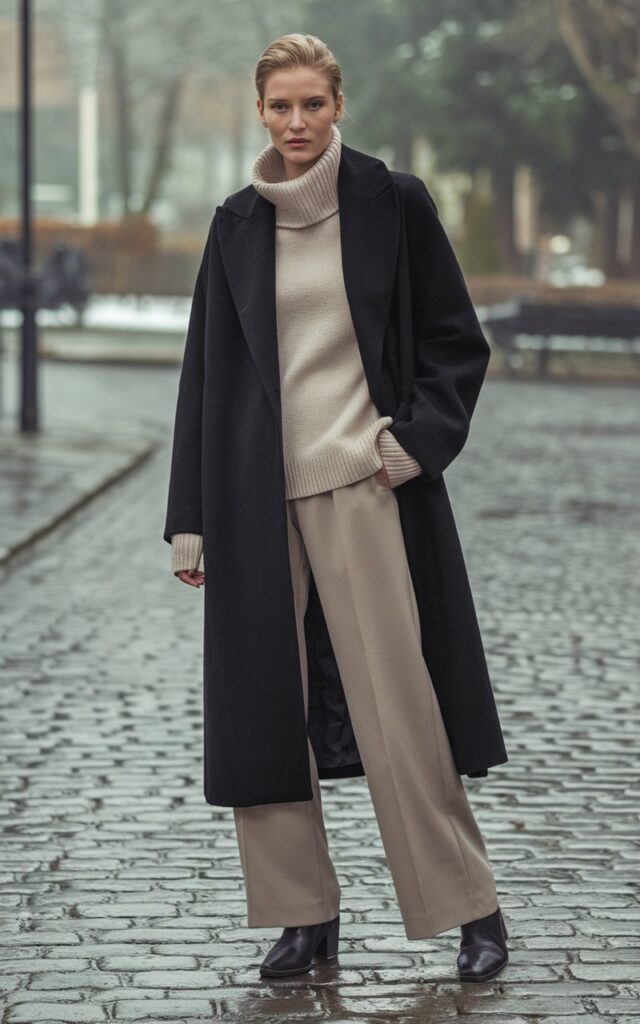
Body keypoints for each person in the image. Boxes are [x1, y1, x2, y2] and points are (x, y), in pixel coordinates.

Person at [165, 32, 509, 983]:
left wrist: (409, 445)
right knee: (263, 711)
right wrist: (190, 514)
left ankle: (468, 906)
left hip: (364, 487)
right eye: (280, 106)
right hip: (252, 502)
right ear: (260, 111)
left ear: (338, 105)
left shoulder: (392, 202)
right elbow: (204, 378)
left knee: (402, 706)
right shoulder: (236, 223)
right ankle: (302, 915)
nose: (297, 121)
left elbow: (456, 341)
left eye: (312, 104)